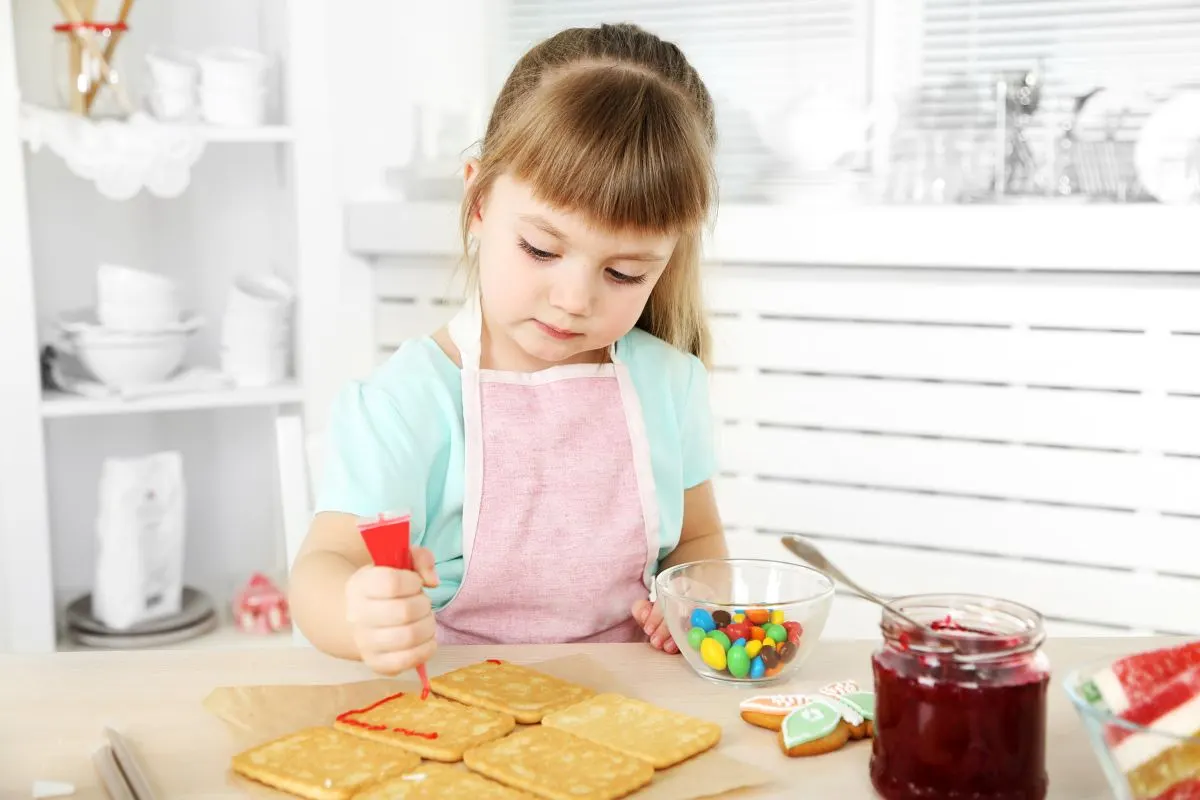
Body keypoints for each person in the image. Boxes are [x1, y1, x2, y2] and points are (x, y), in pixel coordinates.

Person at [289, 21, 728, 677]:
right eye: (542, 249)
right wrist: (358, 613)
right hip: (457, 704)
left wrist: (692, 598)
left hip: (634, 704)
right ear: (479, 200)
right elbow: (324, 567)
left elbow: (698, 542)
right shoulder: (409, 401)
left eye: (624, 273)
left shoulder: (671, 385)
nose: (574, 297)